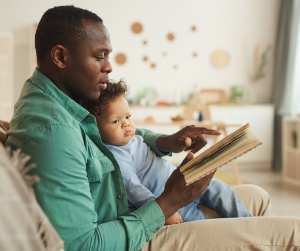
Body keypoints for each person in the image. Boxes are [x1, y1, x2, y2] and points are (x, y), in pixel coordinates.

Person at [5, 5, 300, 251]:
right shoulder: (53, 131)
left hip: (133, 214)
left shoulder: (65, 99)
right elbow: (81, 245)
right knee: (292, 233)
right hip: (132, 232)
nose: (109, 66)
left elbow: (116, 135)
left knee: (258, 197)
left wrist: (165, 141)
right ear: (60, 57)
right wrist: (168, 202)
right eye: (99, 56)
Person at [83, 80, 252, 225]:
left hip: (186, 183)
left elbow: (151, 139)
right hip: (173, 203)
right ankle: (234, 233)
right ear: (95, 129)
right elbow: (134, 190)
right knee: (202, 226)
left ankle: (250, 223)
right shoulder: (116, 156)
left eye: (128, 116)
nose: (126, 124)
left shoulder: (134, 138)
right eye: (115, 121)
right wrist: (163, 212)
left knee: (222, 190)